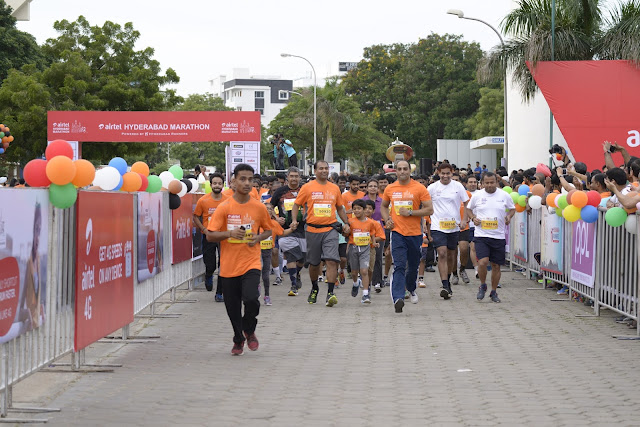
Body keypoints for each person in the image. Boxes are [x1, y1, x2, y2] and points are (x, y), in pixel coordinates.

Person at [207, 163, 273, 356]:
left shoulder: (259, 207)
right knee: (232, 307)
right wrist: (229, 233)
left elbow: (268, 230)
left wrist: (258, 238)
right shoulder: (224, 207)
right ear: (233, 181)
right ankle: (238, 338)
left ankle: (249, 329)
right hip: (228, 266)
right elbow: (211, 235)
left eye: (250, 179)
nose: (247, 183)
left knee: (252, 298)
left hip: (251, 262)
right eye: (242, 179)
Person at [292, 160, 350, 307]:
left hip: (330, 229)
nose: (324, 171)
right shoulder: (307, 187)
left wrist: (346, 223)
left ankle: (330, 293)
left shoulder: (334, 188)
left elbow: (340, 208)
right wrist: (294, 220)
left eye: (326, 168)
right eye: (321, 168)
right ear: (315, 170)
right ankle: (314, 288)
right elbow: (296, 204)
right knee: (314, 263)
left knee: (331, 260)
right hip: (312, 230)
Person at [381, 160, 433, 313]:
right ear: (395, 171)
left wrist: (411, 213)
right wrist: (387, 220)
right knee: (399, 265)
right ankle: (398, 298)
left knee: (413, 266)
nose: (402, 171)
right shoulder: (390, 188)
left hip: (415, 234)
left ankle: (411, 288)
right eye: (399, 169)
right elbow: (384, 206)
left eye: (405, 169)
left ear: (410, 171)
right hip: (397, 233)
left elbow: (430, 209)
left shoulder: (419, 188)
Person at [466, 172, 516, 303]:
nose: (489, 185)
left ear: (496, 182)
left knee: (496, 265)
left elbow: (512, 209)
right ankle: (483, 285)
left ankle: (493, 292)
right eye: (486, 183)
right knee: (482, 262)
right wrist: (473, 218)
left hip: (498, 236)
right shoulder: (477, 196)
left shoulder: (504, 195)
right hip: (481, 235)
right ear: (481, 183)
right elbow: (468, 209)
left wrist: (509, 217)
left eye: (492, 182)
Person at [427, 163, 469, 300]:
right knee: (442, 253)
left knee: (451, 255)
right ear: (438, 173)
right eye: (442, 173)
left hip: (453, 226)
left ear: (452, 173)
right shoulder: (432, 188)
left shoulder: (458, 187)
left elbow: (466, 204)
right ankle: (444, 285)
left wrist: (464, 220)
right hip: (437, 226)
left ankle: (449, 279)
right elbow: (425, 205)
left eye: (448, 173)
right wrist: (425, 223)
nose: (445, 176)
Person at [270, 167, 306, 295]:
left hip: (304, 230)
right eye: (292, 176)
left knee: (302, 259)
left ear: (300, 178)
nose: (294, 178)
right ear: (287, 178)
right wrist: (276, 218)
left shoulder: (305, 190)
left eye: (296, 176)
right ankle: (293, 285)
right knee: (291, 255)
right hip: (285, 230)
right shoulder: (280, 191)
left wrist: (306, 212)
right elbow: (269, 206)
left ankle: (297, 274)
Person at [194, 173, 228, 301]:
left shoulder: (227, 200)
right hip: (208, 235)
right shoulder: (203, 200)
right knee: (211, 264)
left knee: (223, 264)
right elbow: (196, 216)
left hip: (223, 236)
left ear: (223, 185)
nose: (217, 186)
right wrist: (203, 228)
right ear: (211, 184)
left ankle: (220, 293)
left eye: (220, 183)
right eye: (215, 183)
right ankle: (208, 274)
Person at [347, 199, 382, 304]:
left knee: (364, 271)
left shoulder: (370, 222)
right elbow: (346, 234)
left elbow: (372, 233)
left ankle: (365, 294)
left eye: (359, 208)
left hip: (365, 249)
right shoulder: (350, 222)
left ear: (364, 209)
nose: (357, 211)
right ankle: (355, 283)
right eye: (354, 209)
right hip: (353, 248)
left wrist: (374, 242)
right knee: (354, 272)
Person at [260, 203, 296, 306]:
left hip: (267, 250)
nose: (268, 210)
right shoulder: (257, 222)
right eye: (266, 209)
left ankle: (267, 295)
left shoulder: (274, 223)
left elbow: (282, 233)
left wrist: (292, 229)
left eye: (270, 209)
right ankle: (256, 288)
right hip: (255, 251)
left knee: (265, 274)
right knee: (256, 272)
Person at [20, 203, 43, 330]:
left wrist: (41, 308)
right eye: (35, 230)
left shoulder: (38, 257)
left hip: (35, 322)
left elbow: (37, 292)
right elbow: (22, 294)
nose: (38, 237)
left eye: (39, 230)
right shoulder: (26, 259)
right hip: (29, 324)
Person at [363, 179, 384, 291]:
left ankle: (377, 281)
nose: (373, 188)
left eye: (375, 186)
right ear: (366, 188)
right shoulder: (362, 201)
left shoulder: (382, 201)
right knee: (364, 258)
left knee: (378, 258)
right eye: (370, 186)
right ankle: (365, 280)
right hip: (364, 232)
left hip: (378, 232)